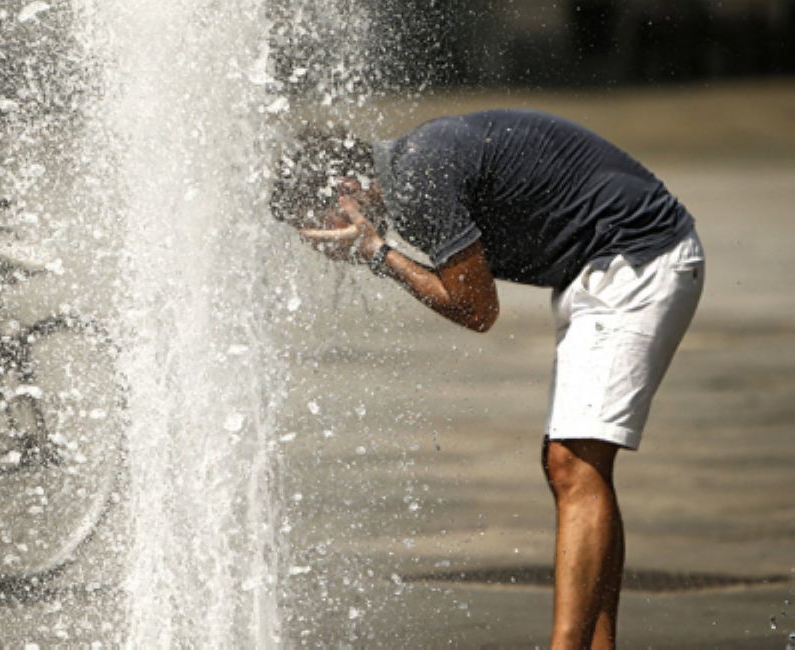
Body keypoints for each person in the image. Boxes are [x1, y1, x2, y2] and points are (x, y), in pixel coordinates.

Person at [273, 109, 704, 649]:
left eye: (318, 225)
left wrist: (375, 253)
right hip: (606, 268)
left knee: (573, 465)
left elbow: (477, 310)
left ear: (344, 191)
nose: (322, 245)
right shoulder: (414, 165)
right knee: (574, 467)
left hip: (639, 258)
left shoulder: (418, 179)